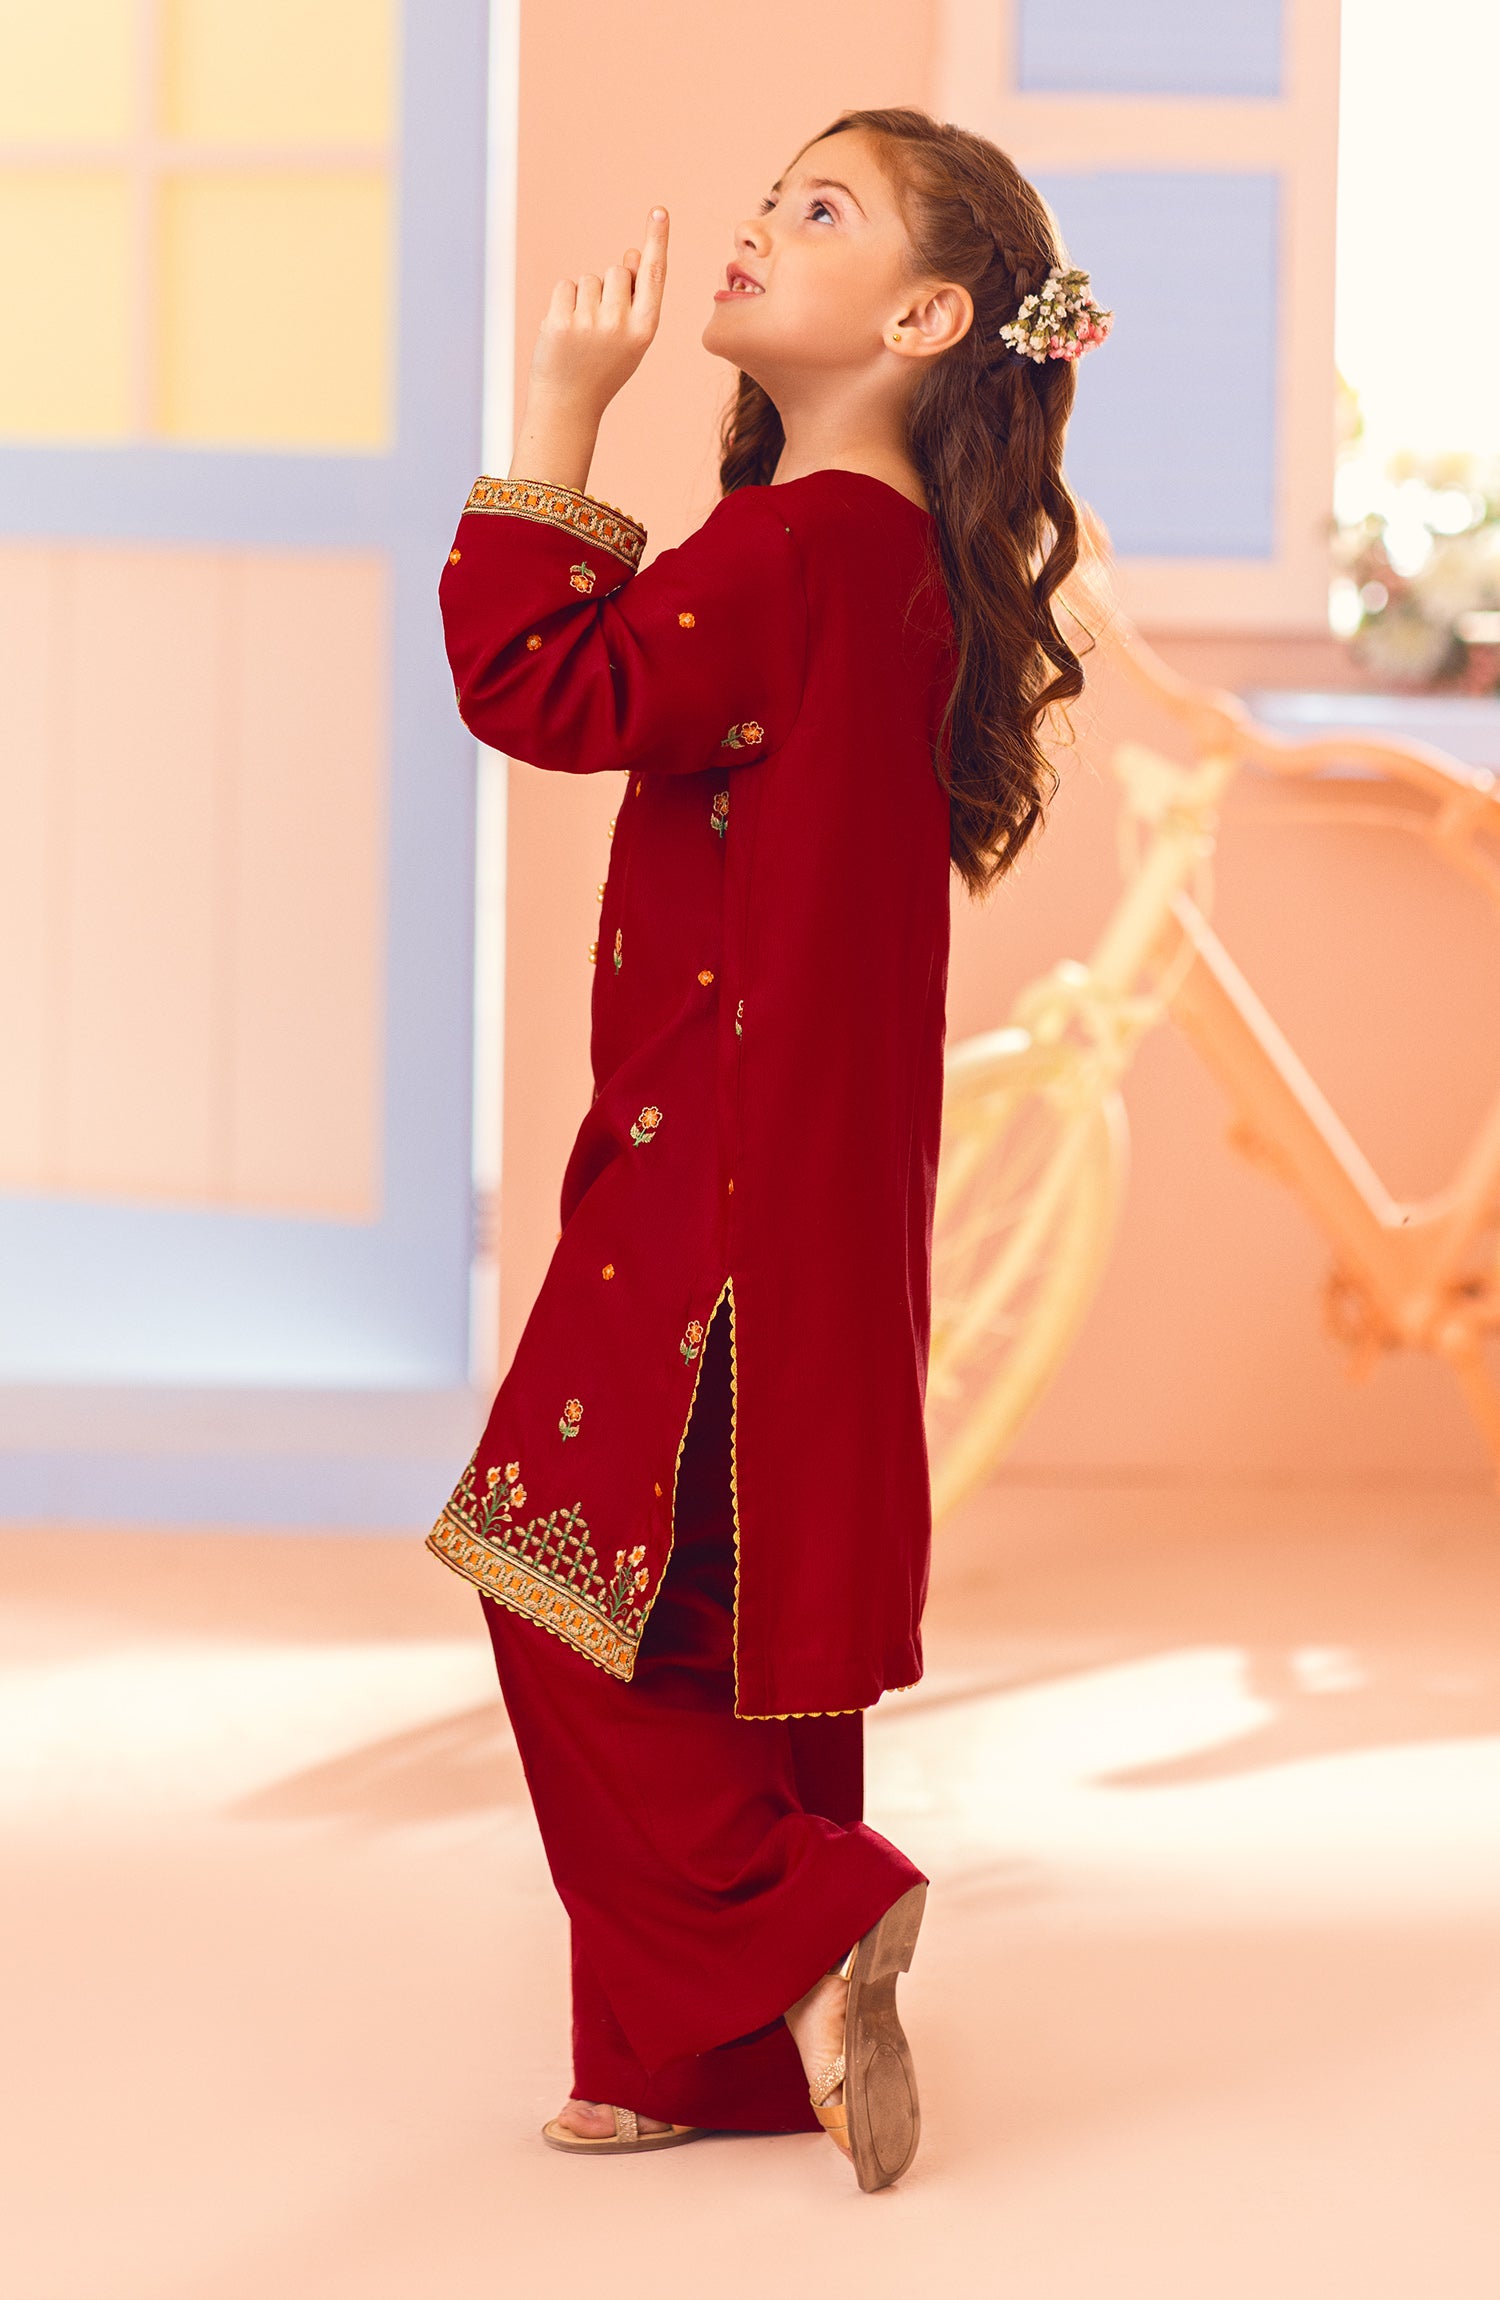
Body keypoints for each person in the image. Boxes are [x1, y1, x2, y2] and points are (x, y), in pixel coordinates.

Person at [426, 104, 1109, 2192]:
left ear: (924, 319)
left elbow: (540, 683)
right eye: (769, 196)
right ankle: (702, 2057)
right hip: (809, 1190)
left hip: (707, 1182)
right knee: (715, 1612)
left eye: (820, 210)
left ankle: (806, 1924)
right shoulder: (891, 564)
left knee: (556, 1579)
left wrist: (561, 408)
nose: (756, 226)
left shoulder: (797, 546)